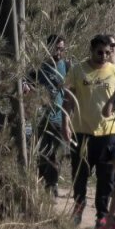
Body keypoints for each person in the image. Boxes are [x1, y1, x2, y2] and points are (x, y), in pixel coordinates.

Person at [65, 34, 115, 228]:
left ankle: (102, 215)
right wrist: (65, 122)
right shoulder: (77, 70)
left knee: (106, 177)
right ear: (91, 50)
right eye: (100, 52)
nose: (104, 56)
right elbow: (68, 100)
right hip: (82, 132)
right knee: (80, 174)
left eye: (108, 52)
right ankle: (78, 210)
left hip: (108, 133)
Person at [32, 34, 71, 194]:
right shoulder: (40, 66)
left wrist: (69, 117)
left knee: (57, 153)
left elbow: (70, 93)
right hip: (42, 116)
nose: (59, 52)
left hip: (59, 117)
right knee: (43, 152)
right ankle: (42, 182)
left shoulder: (67, 66)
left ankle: (53, 184)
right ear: (48, 48)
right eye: (56, 48)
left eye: (61, 49)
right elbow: (27, 81)